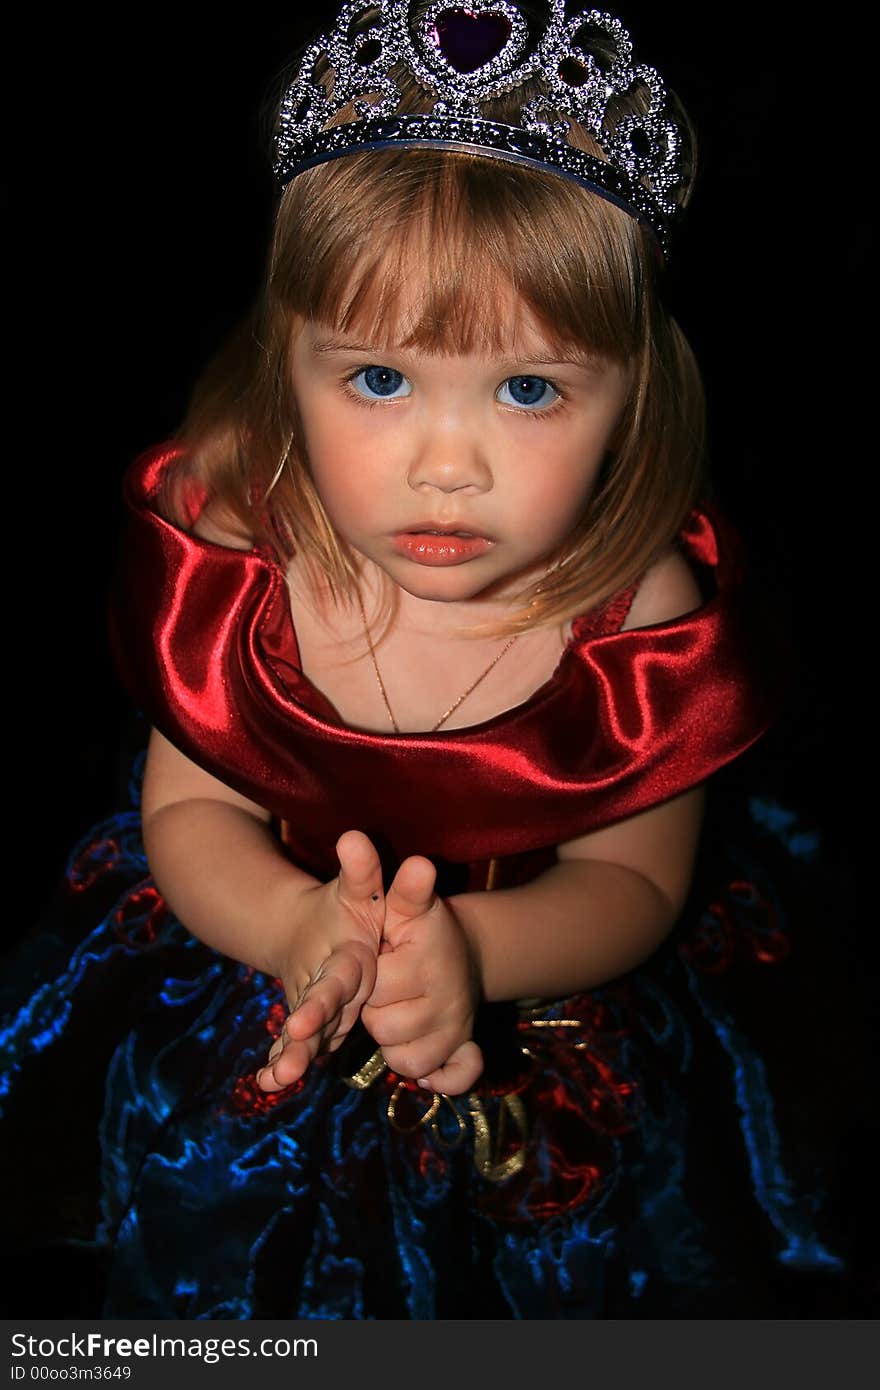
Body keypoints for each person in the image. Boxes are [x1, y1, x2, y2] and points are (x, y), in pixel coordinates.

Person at [1, 0, 848, 1319]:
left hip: (536, 1004)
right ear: (284, 363)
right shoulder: (238, 551)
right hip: (263, 967)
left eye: (529, 389)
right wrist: (285, 919)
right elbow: (189, 805)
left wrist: (476, 947)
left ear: (638, 392)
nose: (447, 466)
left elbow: (635, 879)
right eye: (380, 380)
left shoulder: (639, 614)